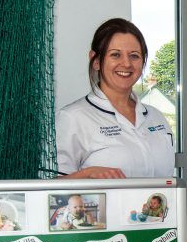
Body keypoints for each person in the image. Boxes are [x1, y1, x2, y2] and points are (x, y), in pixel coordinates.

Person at [56, 18, 174, 180]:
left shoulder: (157, 118)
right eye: (115, 55)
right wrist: (87, 174)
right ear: (96, 60)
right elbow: (49, 192)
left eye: (134, 56)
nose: (126, 64)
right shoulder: (72, 118)